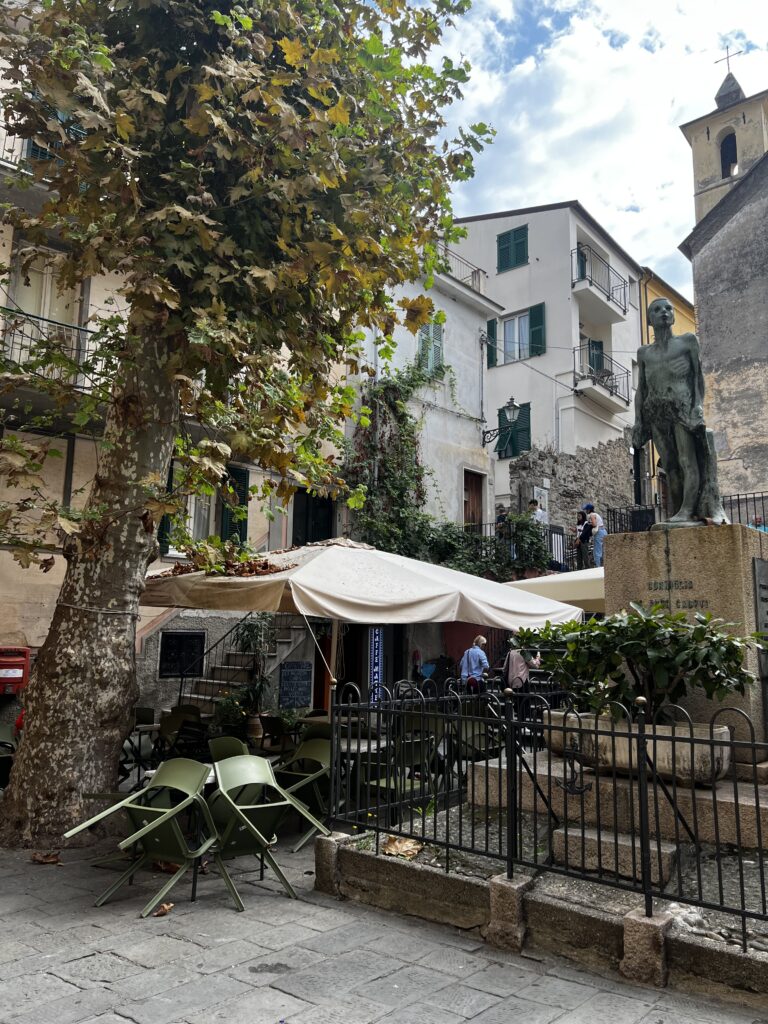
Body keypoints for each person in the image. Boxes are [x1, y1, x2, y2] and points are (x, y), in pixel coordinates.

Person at [632, 298, 728, 525]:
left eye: (668, 308)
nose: (663, 312)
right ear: (649, 319)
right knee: (670, 465)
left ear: (673, 316)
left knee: (687, 460)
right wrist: (638, 420)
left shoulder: (687, 342)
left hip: (682, 407)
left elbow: (697, 377)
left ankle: (688, 510)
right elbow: (641, 389)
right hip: (656, 411)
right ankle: (678, 512)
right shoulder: (644, 353)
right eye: (657, 309)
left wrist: (697, 405)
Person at [583, 502, 607, 567]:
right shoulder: (597, 514)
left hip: (599, 533)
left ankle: (598, 567)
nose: (586, 511)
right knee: (603, 550)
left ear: (589, 510)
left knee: (597, 551)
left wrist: (589, 524)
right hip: (604, 531)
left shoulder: (592, 515)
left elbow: (594, 524)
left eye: (586, 510)